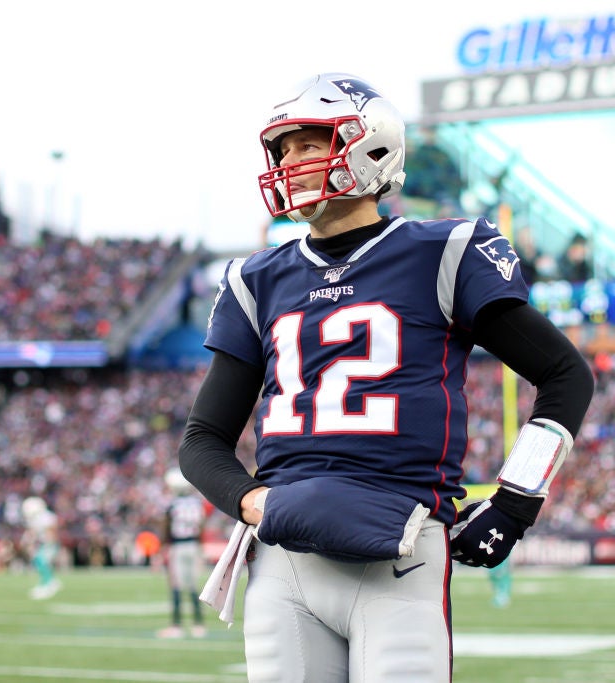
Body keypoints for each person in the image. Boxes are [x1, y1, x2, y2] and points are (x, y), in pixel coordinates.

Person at [179, 72, 595, 682]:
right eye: (283, 148)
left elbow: (564, 374)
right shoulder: (254, 278)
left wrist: (514, 502)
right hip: (283, 562)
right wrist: (251, 500)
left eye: (309, 143)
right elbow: (201, 441)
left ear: (370, 148)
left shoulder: (446, 249)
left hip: (398, 551)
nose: (289, 162)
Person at [156, 468, 208, 639]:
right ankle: (199, 625)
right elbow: (201, 527)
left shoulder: (171, 504)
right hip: (193, 545)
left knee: (176, 586)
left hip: (178, 547)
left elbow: (165, 527)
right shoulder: (196, 503)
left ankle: (176, 626)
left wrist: (162, 548)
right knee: (193, 585)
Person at [21, 496, 62, 600]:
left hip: (50, 543)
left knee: (41, 560)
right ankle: (49, 582)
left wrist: (49, 543)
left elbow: (51, 532)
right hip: (43, 543)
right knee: (39, 561)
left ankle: (47, 584)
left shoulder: (46, 517)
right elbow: (33, 532)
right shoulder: (36, 518)